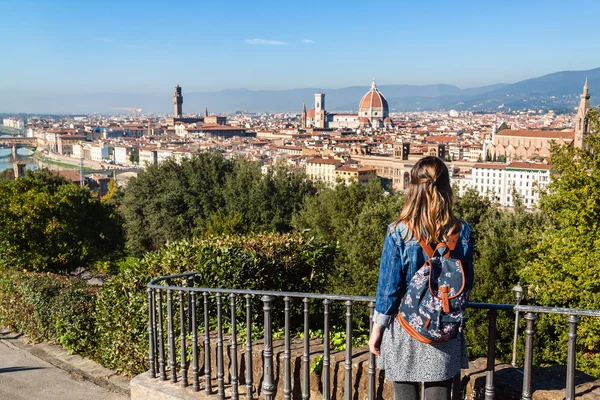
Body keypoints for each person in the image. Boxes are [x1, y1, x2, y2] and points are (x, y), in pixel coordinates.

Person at [368, 156, 474, 400]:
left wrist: (377, 329)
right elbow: (467, 281)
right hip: (442, 326)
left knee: (404, 394)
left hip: (405, 326)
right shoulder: (462, 231)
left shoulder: (399, 231)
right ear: (446, 188)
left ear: (413, 188)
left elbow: (389, 288)